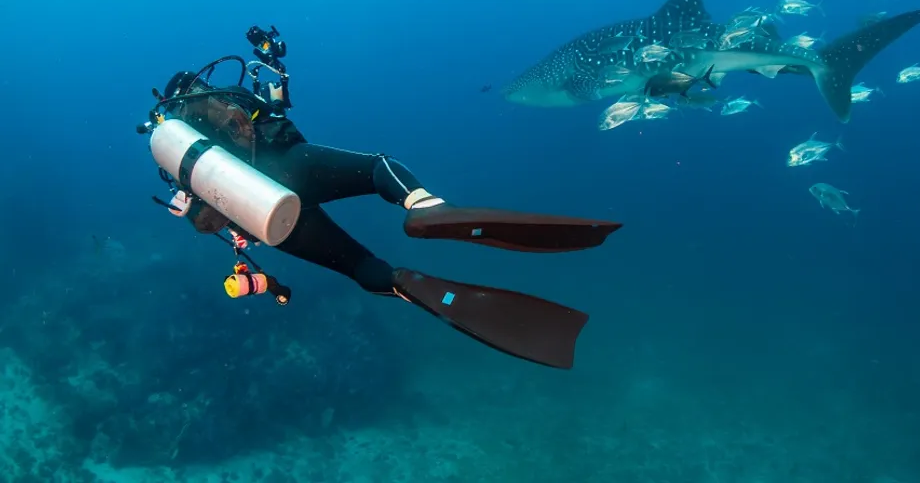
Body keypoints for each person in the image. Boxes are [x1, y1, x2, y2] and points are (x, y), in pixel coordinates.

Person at [140, 25, 621, 369]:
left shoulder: (179, 155)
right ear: (200, 84)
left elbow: (206, 217)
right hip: (293, 166)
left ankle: (404, 285)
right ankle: (426, 209)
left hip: (266, 214)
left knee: (356, 264)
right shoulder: (227, 96)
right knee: (374, 168)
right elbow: (274, 116)